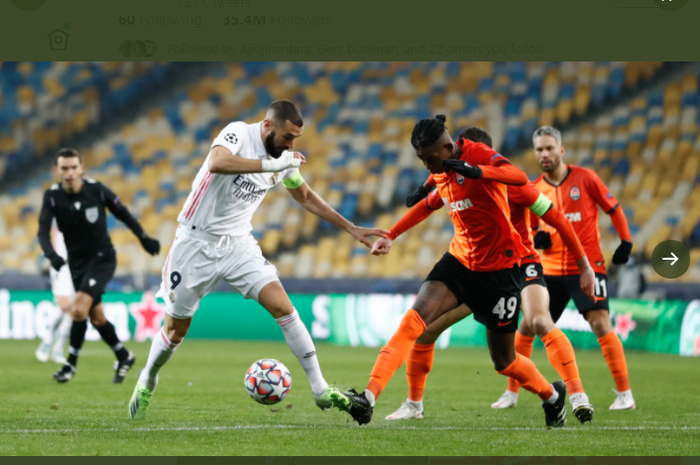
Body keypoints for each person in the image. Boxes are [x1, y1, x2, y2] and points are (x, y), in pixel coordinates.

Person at [128, 100, 390, 420]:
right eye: (287, 137)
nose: (291, 145)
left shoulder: (284, 159)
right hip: (195, 243)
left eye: (296, 139)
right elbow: (217, 162)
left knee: (283, 306)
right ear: (268, 126)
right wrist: (271, 167)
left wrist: (351, 228)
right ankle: (148, 377)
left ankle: (320, 389)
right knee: (176, 329)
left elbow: (304, 196)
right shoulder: (239, 133)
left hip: (238, 244)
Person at [330, 115, 568, 428]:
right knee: (415, 321)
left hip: (500, 271)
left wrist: (477, 171)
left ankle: (552, 396)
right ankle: (368, 397)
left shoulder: (478, 155)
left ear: (447, 147)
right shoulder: (440, 168)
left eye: (430, 159)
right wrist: (391, 234)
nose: (428, 165)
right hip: (460, 262)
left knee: (504, 361)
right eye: (421, 160)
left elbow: (519, 176)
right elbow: (430, 202)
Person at [381, 127, 596, 424]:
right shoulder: (457, 178)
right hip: (481, 270)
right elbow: (436, 189)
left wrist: (585, 266)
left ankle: (576, 394)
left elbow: (557, 218)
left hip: (521, 263)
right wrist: (422, 190)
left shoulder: (514, 185)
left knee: (537, 320)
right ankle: (414, 403)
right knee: (427, 330)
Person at [531, 125, 635, 410]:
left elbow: (613, 208)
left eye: (549, 148)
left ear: (561, 150)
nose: (545, 154)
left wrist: (625, 241)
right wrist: (534, 236)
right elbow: (527, 226)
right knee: (529, 325)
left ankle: (625, 394)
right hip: (549, 270)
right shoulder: (534, 188)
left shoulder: (586, 178)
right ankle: (511, 393)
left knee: (600, 322)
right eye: (539, 149)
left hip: (587, 267)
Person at [38, 148, 161, 383]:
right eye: (65, 168)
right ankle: (123, 355)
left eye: (74, 167)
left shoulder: (97, 190)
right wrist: (51, 254)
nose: (70, 172)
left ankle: (69, 365)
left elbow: (123, 213)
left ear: (82, 168)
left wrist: (143, 238)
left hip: (102, 259)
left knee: (78, 309)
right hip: (77, 264)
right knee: (97, 319)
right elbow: (43, 231)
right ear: (57, 171)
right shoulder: (52, 196)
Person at [35, 219, 74, 365]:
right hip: (61, 264)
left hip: (76, 266)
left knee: (74, 310)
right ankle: (46, 342)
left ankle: (58, 349)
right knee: (64, 305)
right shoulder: (58, 207)